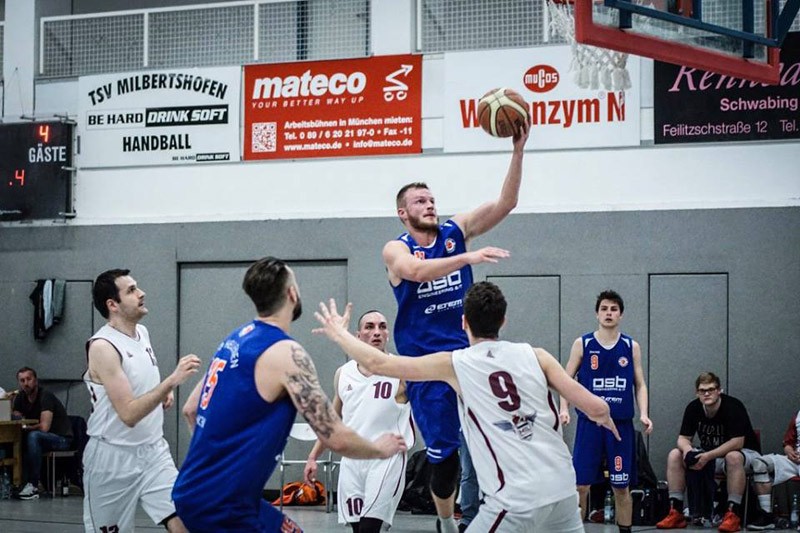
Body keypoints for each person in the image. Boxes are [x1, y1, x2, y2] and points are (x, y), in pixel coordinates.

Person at [314, 281, 621, 532]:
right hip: (563, 491)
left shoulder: (455, 363)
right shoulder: (537, 355)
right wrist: (606, 419)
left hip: (515, 497)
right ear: (503, 320)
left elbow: (376, 362)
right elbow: (595, 407)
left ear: (463, 322)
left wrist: (338, 333)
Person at [172, 257, 407, 532]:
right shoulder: (289, 354)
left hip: (193, 487)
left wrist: (216, 460)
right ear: (292, 294)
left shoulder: (233, 339)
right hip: (225, 503)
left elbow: (190, 409)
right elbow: (337, 438)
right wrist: (380, 448)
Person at [384, 119, 529, 533]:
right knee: (444, 457)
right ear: (403, 212)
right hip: (427, 365)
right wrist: (467, 258)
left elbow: (506, 202)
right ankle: (446, 522)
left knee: (501, 435)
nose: (429, 205)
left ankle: (502, 509)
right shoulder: (396, 247)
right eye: (419, 201)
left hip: (469, 355)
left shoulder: (456, 230)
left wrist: (517, 150)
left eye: (431, 199)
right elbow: (414, 271)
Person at [83, 269, 202, 533]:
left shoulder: (142, 334)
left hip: (152, 452)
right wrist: (171, 382)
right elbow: (128, 413)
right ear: (112, 305)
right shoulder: (103, 346)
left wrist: (161, 393)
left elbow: (140, 383)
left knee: (186, 518)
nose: (141, 293)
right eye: (131, 290)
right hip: (111, 458)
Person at [303, 310, 414, 533]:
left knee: (369, 529)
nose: (376, 332)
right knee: (357, 529)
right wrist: (313, 456)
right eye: (370, 327)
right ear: (358, 335)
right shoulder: (343, 374)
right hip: (352, 460)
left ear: (388, 335)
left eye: (382, 327)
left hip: (386, 459)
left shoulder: (402, 369)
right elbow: (332, 422)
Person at [559, 289, 653, 533]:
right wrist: (564, 409)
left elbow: (640, 383)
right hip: (590, 426)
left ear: (621, 315)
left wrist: (643, 413)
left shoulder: (631, 346)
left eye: (613, 309)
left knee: (621, 487)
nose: (608, 313)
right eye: (604, 309)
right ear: (597, 314)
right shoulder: (584, 344)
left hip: (620, 427)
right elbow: (565, 380)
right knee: (581, 485)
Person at [655, 372, 767, 532]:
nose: (706, 393)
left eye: (711, 389)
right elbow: (683, 438)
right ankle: (676, 511)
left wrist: (707, 456)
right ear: (697, 393)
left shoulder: (733, 406)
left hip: (745, 454)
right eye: (702, 390)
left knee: (733, 457)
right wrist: (688, 451)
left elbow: (737, 442)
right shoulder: (693, 408)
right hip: (712, 456)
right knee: (675, 454)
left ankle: (732, 514)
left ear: (719, 390)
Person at [11, 366, 73, 500]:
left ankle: (33, 485)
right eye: (22, 380)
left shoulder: (46, 396)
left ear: (36, 380)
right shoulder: (20, 398)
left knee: (34, 436)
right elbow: (17, 418)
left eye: (29, 379)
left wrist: (26, 427)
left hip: (61, 438)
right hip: (40, 438)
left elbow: (44, 427)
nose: (26, 383)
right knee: (16, 438)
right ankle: (16, 483)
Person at [744, 408, 800, 530]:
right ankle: (767, 516)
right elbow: (787, 443)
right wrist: (789, 450)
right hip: (795, 460)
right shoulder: (798, 415)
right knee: (760, 463)